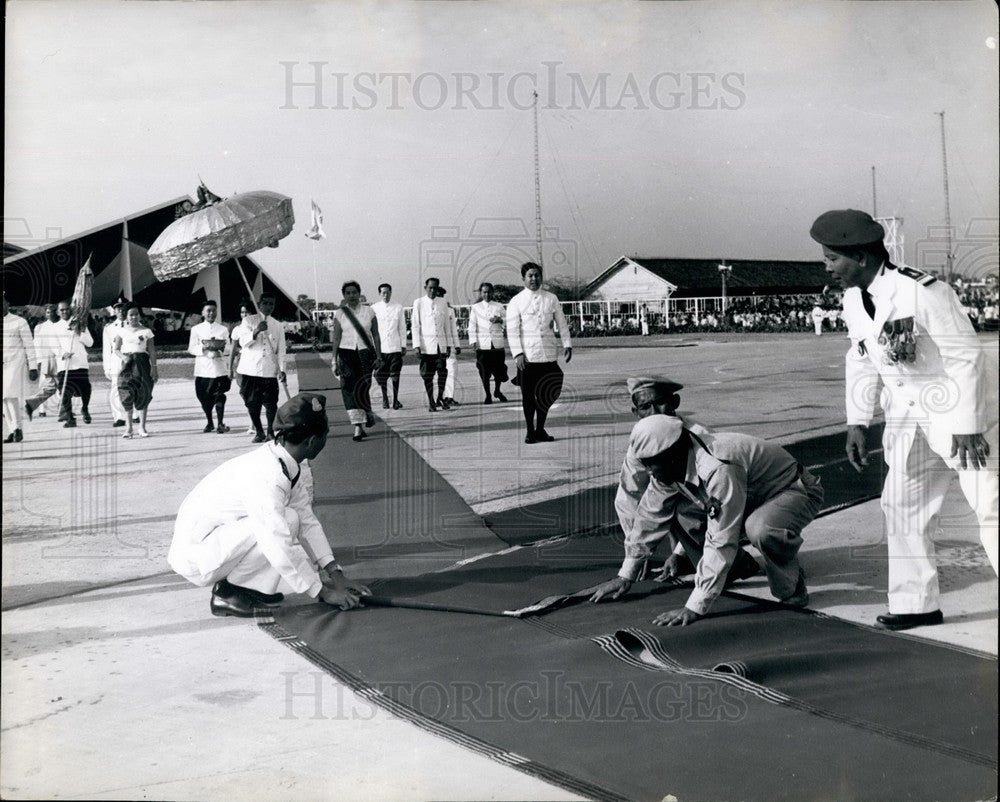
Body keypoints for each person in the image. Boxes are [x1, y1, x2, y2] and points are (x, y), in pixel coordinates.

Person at [810, 209, 998, 630]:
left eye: (831, 259)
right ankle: (916, 604)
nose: (827, 268)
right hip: (909, 420)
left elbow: (964, 353)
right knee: (902, 506)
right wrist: (857, 420)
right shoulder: (852, 299)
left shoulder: (923, 291)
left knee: (991, 505)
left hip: (962, 418)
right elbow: (860, 358)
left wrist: (968, 424)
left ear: (859, 256)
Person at [592, 416, 822, 626]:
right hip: (750, 496)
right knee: (684, 512)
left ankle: (793, 588)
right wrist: (626, 575)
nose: (649, 472)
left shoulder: (717, 466)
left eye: (652, 464)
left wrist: (695, 606)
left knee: (760, 529)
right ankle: (737, 568)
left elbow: (721, 538)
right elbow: (649, 517)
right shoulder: (671, 465)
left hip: (793, 491)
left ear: (672, 455)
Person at [168, 393, 371, 618]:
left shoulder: (282, 461)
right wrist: (322, 592)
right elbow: (277, 540)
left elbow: (307, 520)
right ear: (313, 441)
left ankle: (251, 588)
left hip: (216, 542)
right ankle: (228, 593)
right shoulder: (268, 476)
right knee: (279, 525)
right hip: (198, 557)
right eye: (325, 435)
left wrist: (336, 575)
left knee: (292, 517)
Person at [506, 262, 572, 443]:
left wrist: (567, 344)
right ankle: (530, 431)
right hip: (528, 357)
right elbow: (512, 330)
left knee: (553, 389)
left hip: (548, 354)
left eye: (537, 275)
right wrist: (518, 354)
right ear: (523, 279)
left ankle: (540, 428)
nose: (534, 279)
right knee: (528, 395)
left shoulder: (551, 298)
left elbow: (562, 322)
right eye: (530, 276)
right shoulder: (516, 301)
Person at [330, 281, 381, 442]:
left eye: (354, 292)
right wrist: (334, 360)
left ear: (359, 294)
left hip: (366, 353)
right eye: (348, 293)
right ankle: (358, 426)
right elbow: (336, 337)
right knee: (349, 388)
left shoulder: (369, 312)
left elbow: (376, 335)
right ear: (344, 296)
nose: (351, 295)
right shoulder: (340, 314)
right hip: (346, 354)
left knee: (364, 386)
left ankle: (366, 413)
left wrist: (379, 357)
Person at [237, 293, 287, 443]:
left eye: (272, 304)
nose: (269, 306)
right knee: (252, 403)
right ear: (259, 304)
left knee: (271, 403)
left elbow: (282, 350)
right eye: (265, 303)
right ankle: (259, 431)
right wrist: (256, 330)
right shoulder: (248, 321)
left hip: (269, 370)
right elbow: (242, 342)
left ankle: (270, 431)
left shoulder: (278, 325)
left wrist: (282, 369)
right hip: (250, 370)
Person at [112, 303, 158, 439]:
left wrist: (154, 368)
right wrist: (123, 357)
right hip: (127, 365)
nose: (134, 317)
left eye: (136, 314)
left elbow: (152, 350)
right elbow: (116, 349)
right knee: (126, 392)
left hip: (142, 363)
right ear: (126, 316)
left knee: (144, 392)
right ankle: (129, 428)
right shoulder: (121, 331)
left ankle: (142, 428)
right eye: (131, 315)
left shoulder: (147, 331)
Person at [48, 300, 94, 428]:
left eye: (67, 309)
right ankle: (70, 418)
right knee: (64, 392)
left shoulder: (80, 324)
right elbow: (53, 345)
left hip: (80, 362)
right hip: (65, 364)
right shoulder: (55, 327)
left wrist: (79, 332)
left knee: (85, 388)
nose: (65, 311)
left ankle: (85, 409)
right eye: (61, 310)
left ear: (71, 309)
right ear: (58, 312)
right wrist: (63, 353)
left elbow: (90, 343)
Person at [188, 300, 232, 434]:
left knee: (220, 396)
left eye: (213, 310)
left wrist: (222, 349)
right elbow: (191, 348)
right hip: (203, 369)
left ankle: (220, 423)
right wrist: (203, 347)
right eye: (208, 310)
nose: (211, 313)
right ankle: (209, 422)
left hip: (219, 369)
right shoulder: (196, 329)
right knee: (204, 398)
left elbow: (229, 347)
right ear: (203, 312)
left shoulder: (223, 329)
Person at [411, 277, 452, 412]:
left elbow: (447, 325)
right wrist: (416, 346)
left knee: (442, 373)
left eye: (435, 288)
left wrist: (449, 345)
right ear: (425, 288)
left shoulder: (443, 302)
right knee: (427, 375)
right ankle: (431, 401)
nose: (433, 290)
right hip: (426, 346)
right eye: (430, 288)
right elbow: (415, 326)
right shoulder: (419, 303)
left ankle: (440, 397)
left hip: (441, 345)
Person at [3, 297, 38, 443]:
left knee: (10, 395)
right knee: (4, 399)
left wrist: (33, 366)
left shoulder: (19, 321)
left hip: (15, 363)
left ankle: (17, 429)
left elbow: (29, 345)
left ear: (8, 303)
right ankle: (12, 430)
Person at [467, 282, 509, 404]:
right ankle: (488, 394)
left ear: (493, 292)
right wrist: (473, 341)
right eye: (484, 292)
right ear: (481, 293)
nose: (487, 294)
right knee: (484, 372)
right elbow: (472, 325)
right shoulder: (476, 307)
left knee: (499, 370)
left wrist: (500, 320)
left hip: (497, 343)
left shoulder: (499, 306)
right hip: (482, 344)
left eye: (489, 292)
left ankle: (497, 390)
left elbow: (508, 321)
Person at [370, 283, 407, 409]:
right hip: (381, 349)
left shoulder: (398, 307)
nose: (386, 295)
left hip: (395, 347)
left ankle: (395, 400)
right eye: (383, 293)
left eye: (388, 292)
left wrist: (403, 345)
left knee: (395, 375)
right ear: (380, 294)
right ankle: (385, 398)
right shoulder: (374, 308)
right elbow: (371, 330)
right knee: (381, 375)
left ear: (391, 292)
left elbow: (402, 328)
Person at [102, 297, 130, 427]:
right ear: (114, 310)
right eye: (118, 308)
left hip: (131, 360)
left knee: (133, 387)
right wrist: (106, 368)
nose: (121, 311)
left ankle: (134, 415)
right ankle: (119, 417)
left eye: (123, 307)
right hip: (116, 362)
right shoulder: (109, 328)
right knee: (116, 389)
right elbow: (106, 350)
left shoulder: (134, 325)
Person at [436, 286, 462, 406]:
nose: (439, 298)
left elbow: (453, 329)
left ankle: (449, 396)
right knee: (436, 373)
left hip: (449, 344)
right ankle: (437, 397)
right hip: (433, 346)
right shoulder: (426, 308)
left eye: (441, 295)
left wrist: (457, 345)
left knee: (452, 369)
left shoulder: (449, 310)